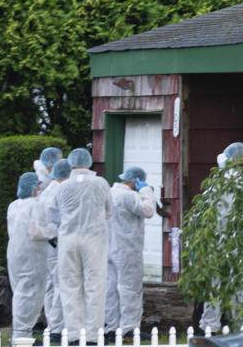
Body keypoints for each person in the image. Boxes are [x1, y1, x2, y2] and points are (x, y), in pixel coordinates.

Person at [55, 147, 113, 343]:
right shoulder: (100, 183)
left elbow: (56, 214)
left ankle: (73, 334)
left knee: (70, 286)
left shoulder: (62, 186)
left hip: (67, 240)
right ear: (89, 162)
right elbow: (109, 211)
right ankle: (92, 336)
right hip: (94, 239)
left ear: (70, 163)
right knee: (94, 285)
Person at [199, 143, 243, 333]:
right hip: (233, 238)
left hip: (216, 239)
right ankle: (242, 322)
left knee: (215, 283)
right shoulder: (237, 182)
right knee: (240, 282)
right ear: (239, 159)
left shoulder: (216, 181)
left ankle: (210, 325)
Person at [104, 166, 156, 339]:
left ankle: (111, 327)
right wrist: (146, 191)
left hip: (110, 248)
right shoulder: (129, 195)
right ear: (136, 181)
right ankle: (129, 329)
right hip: (128, 249)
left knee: (111, 289)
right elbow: (148, 211)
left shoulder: (110, 192)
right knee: (130, 289)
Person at [7, 172, 50, 341]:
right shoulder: (35, 205)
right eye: (38, 185)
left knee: (19, 292)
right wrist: (54, 229)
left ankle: (19, 333)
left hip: (15, 252)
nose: (39, 187)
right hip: (32, 253)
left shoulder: (14, 205)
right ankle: (22, 336)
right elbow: (36, 231)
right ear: (33, 187)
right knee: (30, 294)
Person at [37, 158, 71, 339]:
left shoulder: (47, 191)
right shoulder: (62, 191)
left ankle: (52, 323)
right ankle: (57, 328)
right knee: (61, 286)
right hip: (58, 244)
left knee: (50, 287)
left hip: (47, 245)